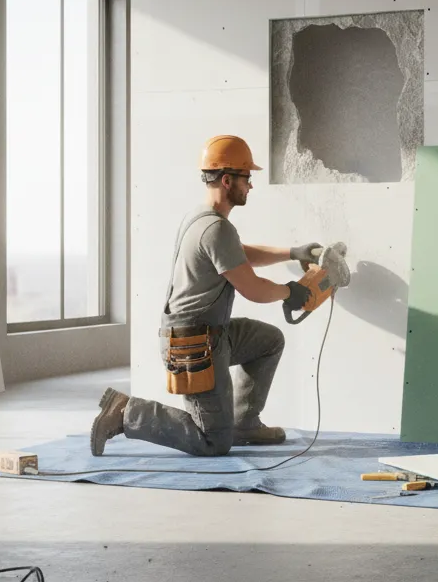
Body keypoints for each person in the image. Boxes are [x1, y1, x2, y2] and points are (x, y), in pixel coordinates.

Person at [90, 135, 317, 457]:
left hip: (212, 333)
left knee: (268, 340)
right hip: (192, 344)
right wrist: (290, 292)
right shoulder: (215, 228)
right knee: (213, 442)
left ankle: (245, 424)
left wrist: (293, 252)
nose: (250, 186)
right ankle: (126, 412)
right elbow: (251, 288)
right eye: (247, 178)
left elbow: (239, 255)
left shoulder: (203, 219)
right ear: (227, 180)